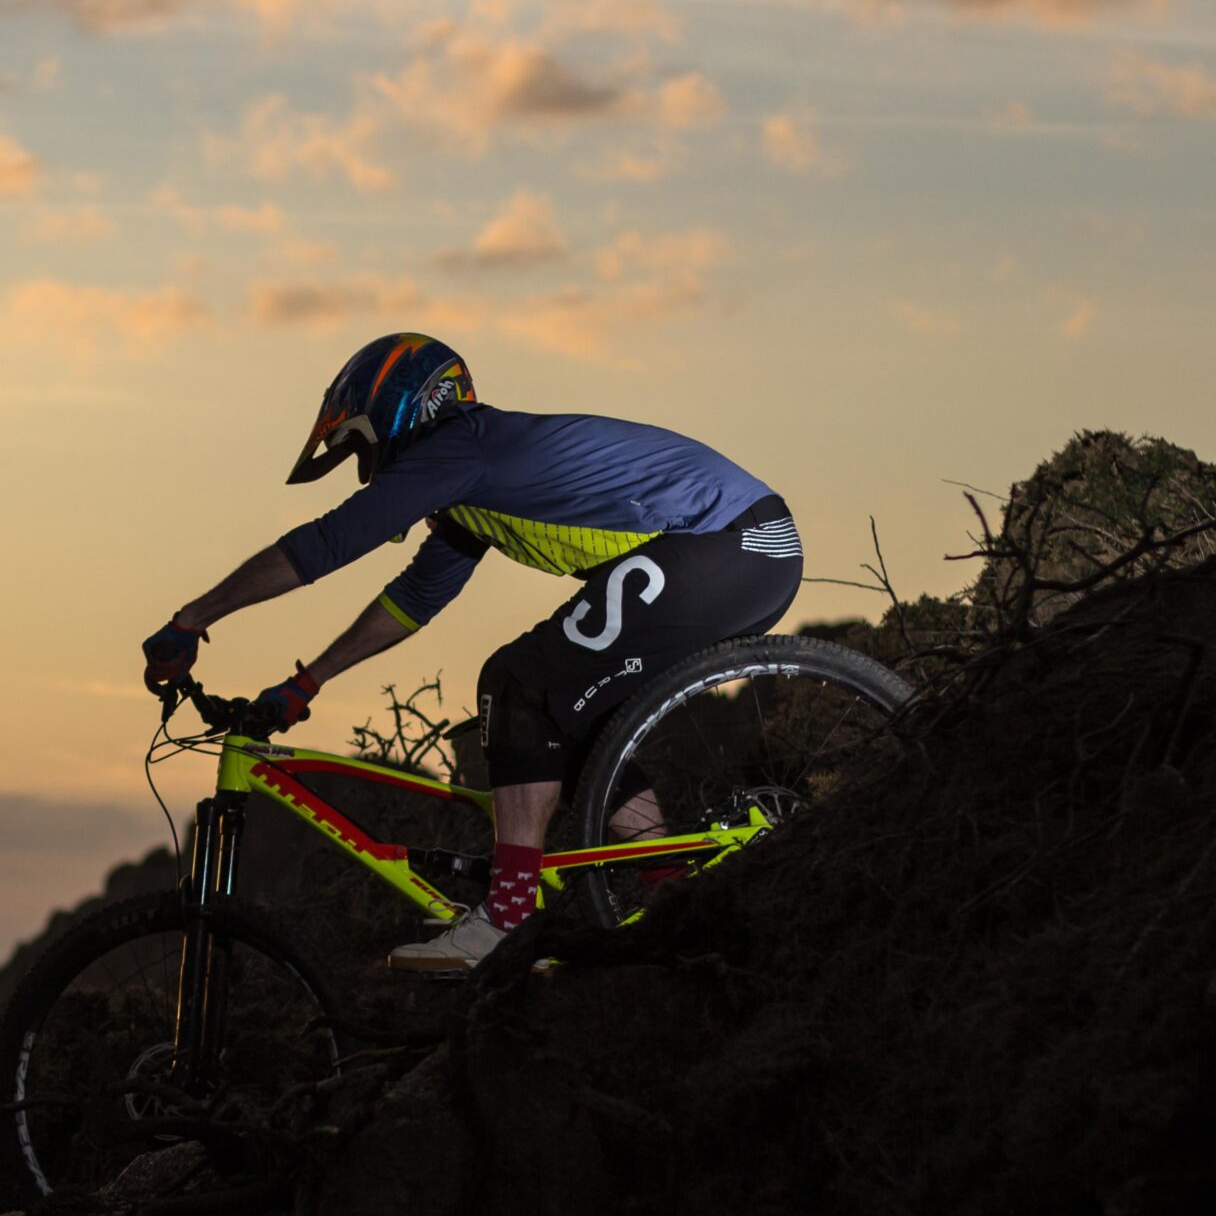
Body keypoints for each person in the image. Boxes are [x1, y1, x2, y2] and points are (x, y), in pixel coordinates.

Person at [142, 332, 802, 972]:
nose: (373, 473)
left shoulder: (460, 447)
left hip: (730, 542)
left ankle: (509, 918)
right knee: (570, 716)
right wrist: (308, 682)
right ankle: (670, 888)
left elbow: (325, 544)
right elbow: (413, 600)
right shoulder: (468, 485)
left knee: (519, 682)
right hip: (740, 546)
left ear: (399, 411)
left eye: (363, 450)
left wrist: (191, 619)